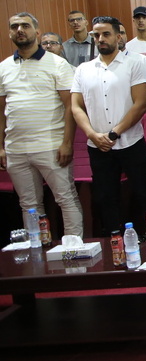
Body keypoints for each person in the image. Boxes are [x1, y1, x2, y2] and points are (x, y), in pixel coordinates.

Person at [0, 12, 83, 237]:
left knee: (65, 199)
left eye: (25, 26)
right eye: (14, 26)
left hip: (51, 145)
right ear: (9, 33)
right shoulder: (4, 67)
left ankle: (74, 248)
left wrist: (67, 143)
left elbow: (70, 107)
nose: (20, 30)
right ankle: (38, 247)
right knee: (28, 205)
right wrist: (1, 147)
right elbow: (2, 111)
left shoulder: (57, 64)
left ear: (36, 32)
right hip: (16, 148)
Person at [71, 16, 146, 235]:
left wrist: (114, 133)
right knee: (105, 198)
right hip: (98, 145)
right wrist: (92, 134)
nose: (101, 39)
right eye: (96, 35)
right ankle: (114, 243)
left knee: (143, 194)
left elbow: (141, 104)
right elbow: (76, 107)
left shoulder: (136, 62)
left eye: (106, 34)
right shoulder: (83, 69)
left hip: (130, 142)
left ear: (118, 37)